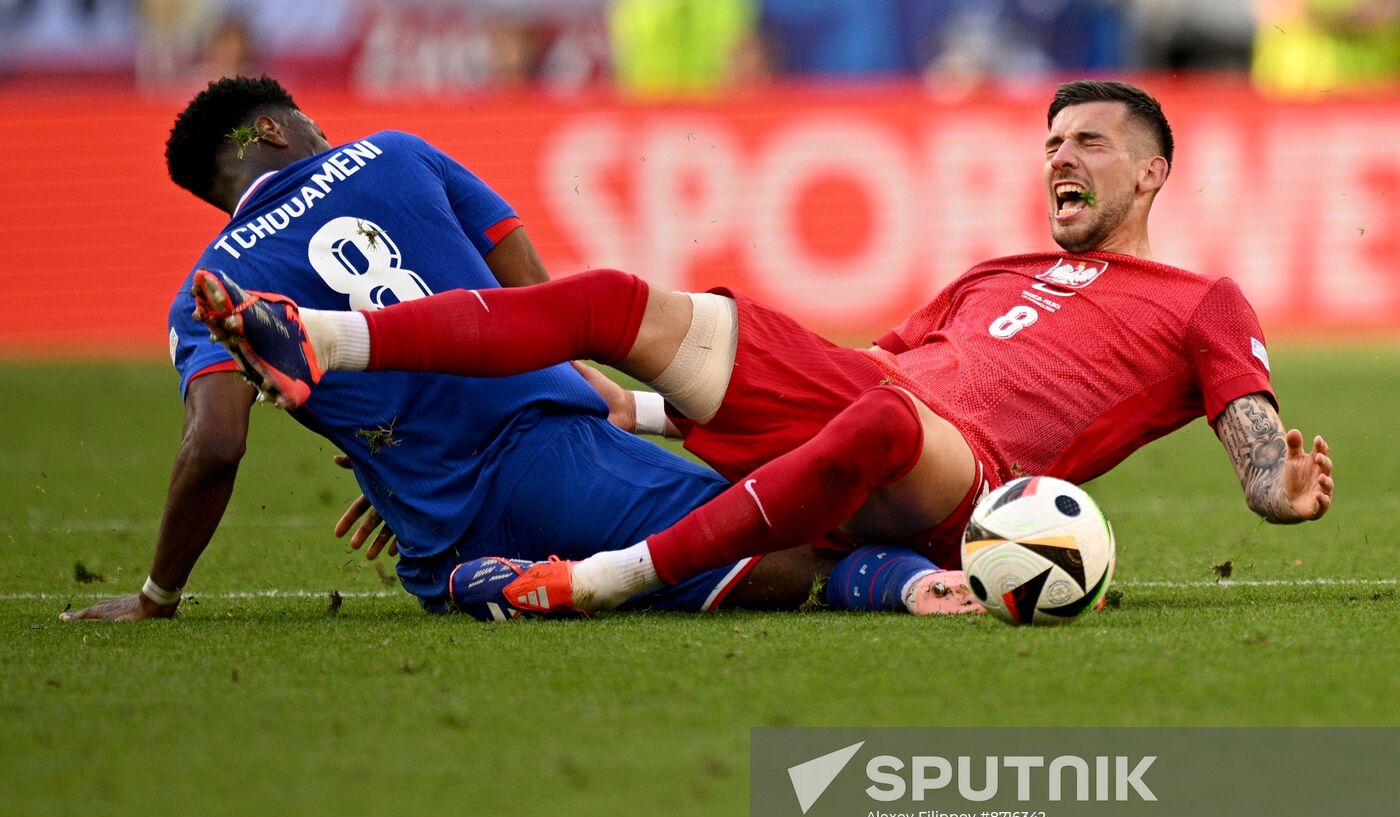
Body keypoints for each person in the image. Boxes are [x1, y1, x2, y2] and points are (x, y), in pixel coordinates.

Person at [195, 80, 1335, 618]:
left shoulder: (1199, 299)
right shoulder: (988, 275)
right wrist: (625, 408)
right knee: (619, 302)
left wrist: (1270, 485)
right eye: (1048, 142)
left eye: (1088, 142)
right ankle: (324, 338)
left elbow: (1247, 432)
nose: (1057, 159)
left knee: (884, 424)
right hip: (862, 407)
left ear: (1151, 173)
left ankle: (591, 585)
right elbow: (861, 366)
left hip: (964, 476)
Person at [62, 75, 953, 624]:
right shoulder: (396, 154)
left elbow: (214, 444)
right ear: (270, 131)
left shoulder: (208, 286)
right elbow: (538, 301)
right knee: (792, 541)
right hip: (551, 450)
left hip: (434, 527)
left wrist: (157, 594)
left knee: (447, 515)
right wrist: (591, 386)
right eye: (308, 121)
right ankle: (931, 583)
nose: (326, 135)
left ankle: (469, 581)